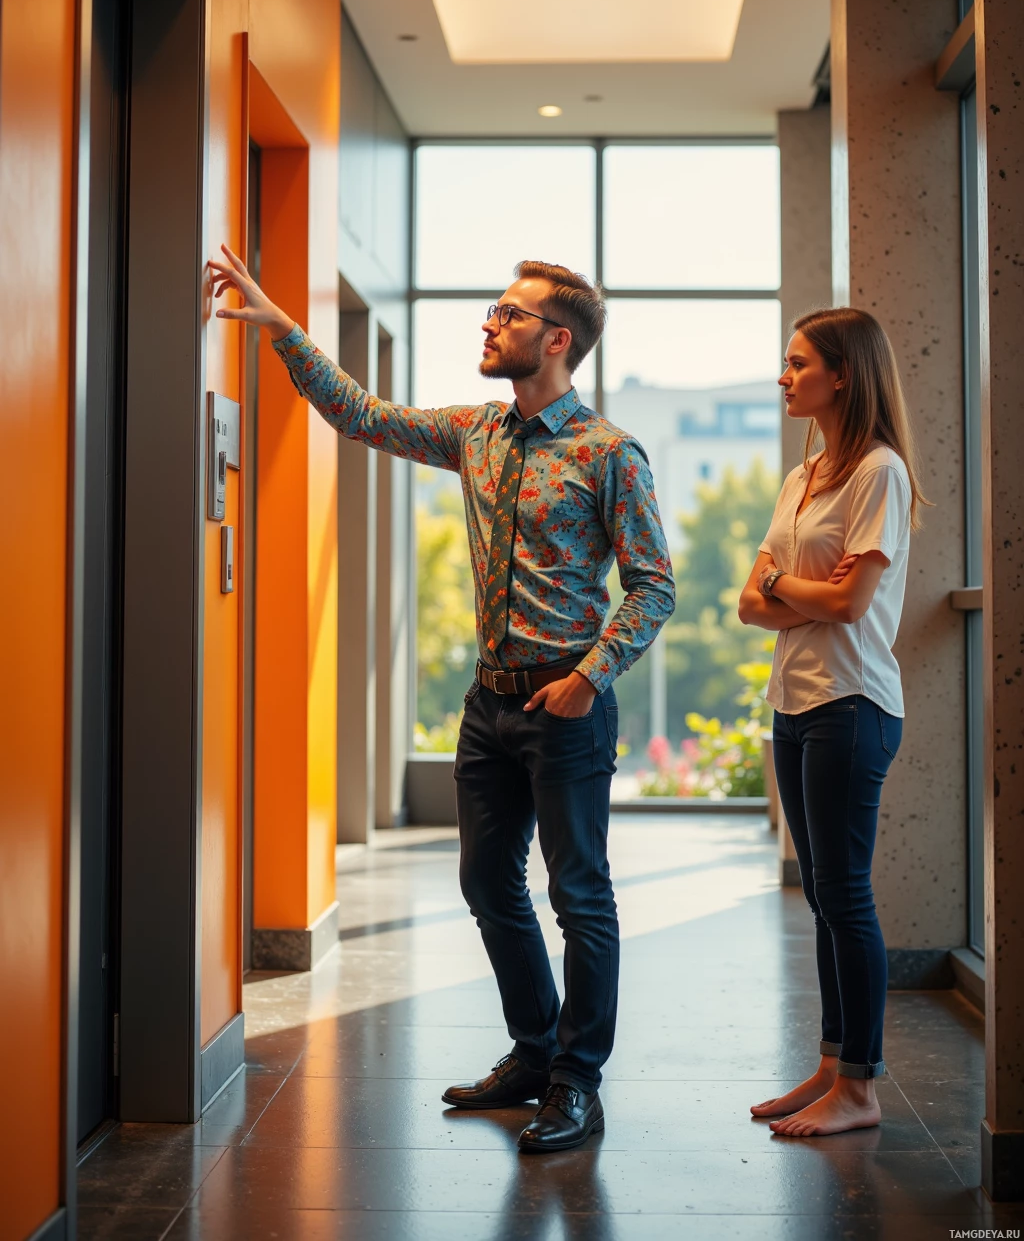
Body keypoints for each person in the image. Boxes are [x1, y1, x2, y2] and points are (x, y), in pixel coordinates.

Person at [209, 247, 675, 1152]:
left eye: (507, 313)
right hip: (487, 702)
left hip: (567, 703)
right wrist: (280, 329)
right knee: (487, 883)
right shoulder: (477, 434)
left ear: (557, 338)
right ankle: (534, 1052)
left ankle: (578, 1083)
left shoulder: (608, 452)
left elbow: (654, 585)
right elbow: (360, 415)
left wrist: (590, 678)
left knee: (580, 895)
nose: (489, 323)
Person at [738, 306, 927, 1137]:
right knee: (821, 896)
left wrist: (786, 587)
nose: (784, 376)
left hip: (852, 706)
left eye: (797, 363)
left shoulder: (878, 472)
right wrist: (783, 591)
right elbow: (748, 603)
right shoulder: (802, 476)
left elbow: (849, 605)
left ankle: (860, 1087)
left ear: (842, 374)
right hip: (795, 703)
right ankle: (829, 1064)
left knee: (845, 895)